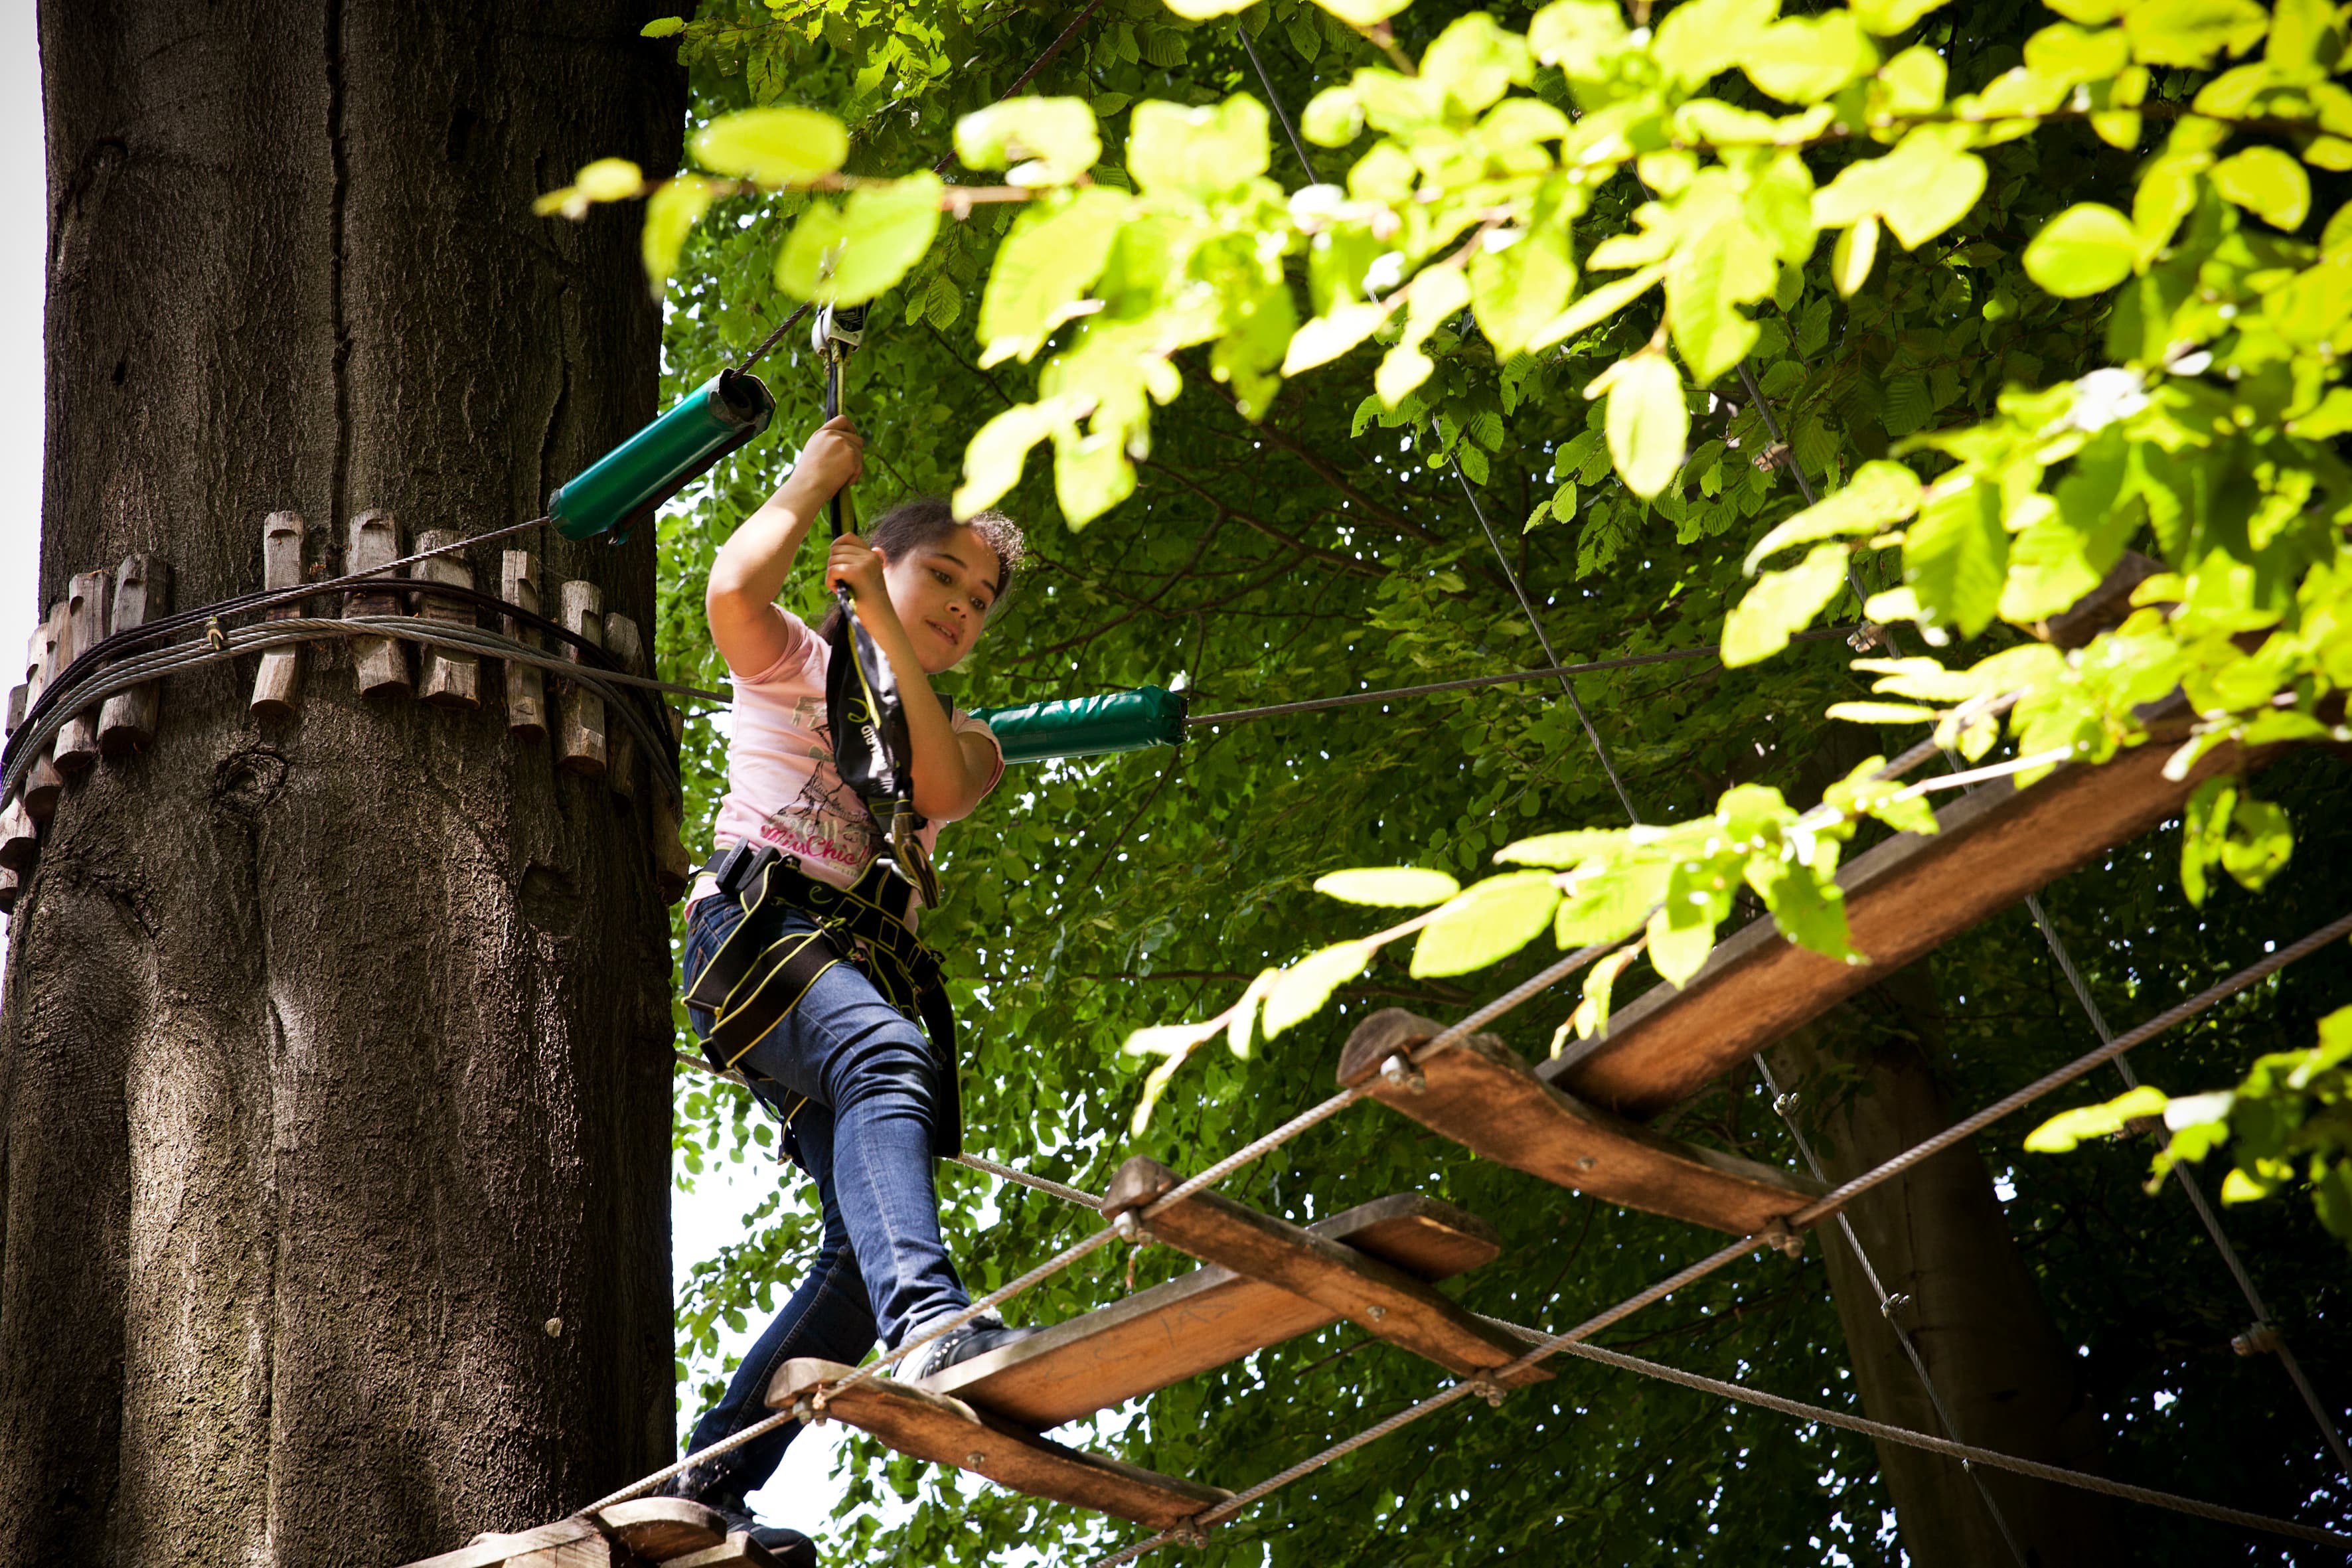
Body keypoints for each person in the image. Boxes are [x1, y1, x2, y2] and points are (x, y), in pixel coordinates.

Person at [661, 415, 1036, 1561]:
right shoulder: (798, 661)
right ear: (880, 552)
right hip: (760, 928)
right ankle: (935, 1320)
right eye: (944, 574)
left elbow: (934, 779)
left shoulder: (963, 735)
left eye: (979, 601)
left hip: (847, 973)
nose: (962, 606)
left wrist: (886, 618)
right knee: (886, 1060)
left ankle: (710, 1476)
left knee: (852, 1262)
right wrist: (809, 480)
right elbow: (734, 588)